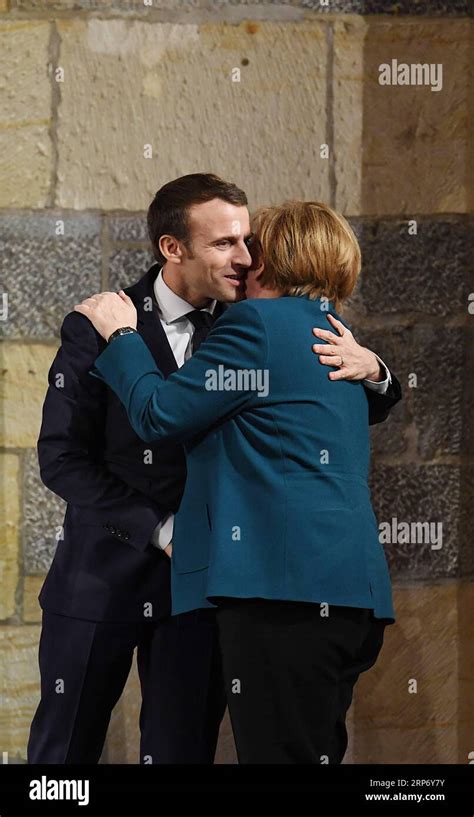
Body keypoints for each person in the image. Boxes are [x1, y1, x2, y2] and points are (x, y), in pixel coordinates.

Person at [74, 199, 401, 764]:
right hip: (351, 596)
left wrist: (122, 335)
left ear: (271, 262)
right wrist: (382, 371)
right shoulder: (335, 332)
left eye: (252, 247)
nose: (242, 258)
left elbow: (158, 414)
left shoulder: (255, 325)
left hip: (284, 595)